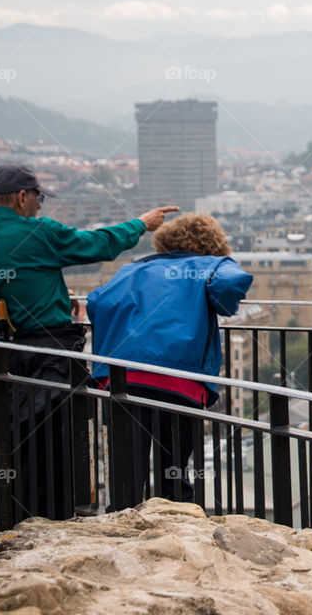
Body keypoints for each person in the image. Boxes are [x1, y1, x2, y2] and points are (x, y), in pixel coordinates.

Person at [0, 163, 178, 519]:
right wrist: (141, 224)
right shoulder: (39, 232)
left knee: (10, 442)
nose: (40, 206)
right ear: (21, 197)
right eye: (38, 198)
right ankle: (51, 520)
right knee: (53, 446)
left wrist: (51, 295)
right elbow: (97, 245)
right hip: (49, 353)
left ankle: (8, 517)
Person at [87, 213, 252, 504]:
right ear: (214, 244)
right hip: (179, 380)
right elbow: (230, 286)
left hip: (123, 377)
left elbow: (98, 302)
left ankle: (123, 527)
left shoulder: (134, 269)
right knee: (174, 468)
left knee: (127, 468)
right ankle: (179, 528)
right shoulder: (212, 264)